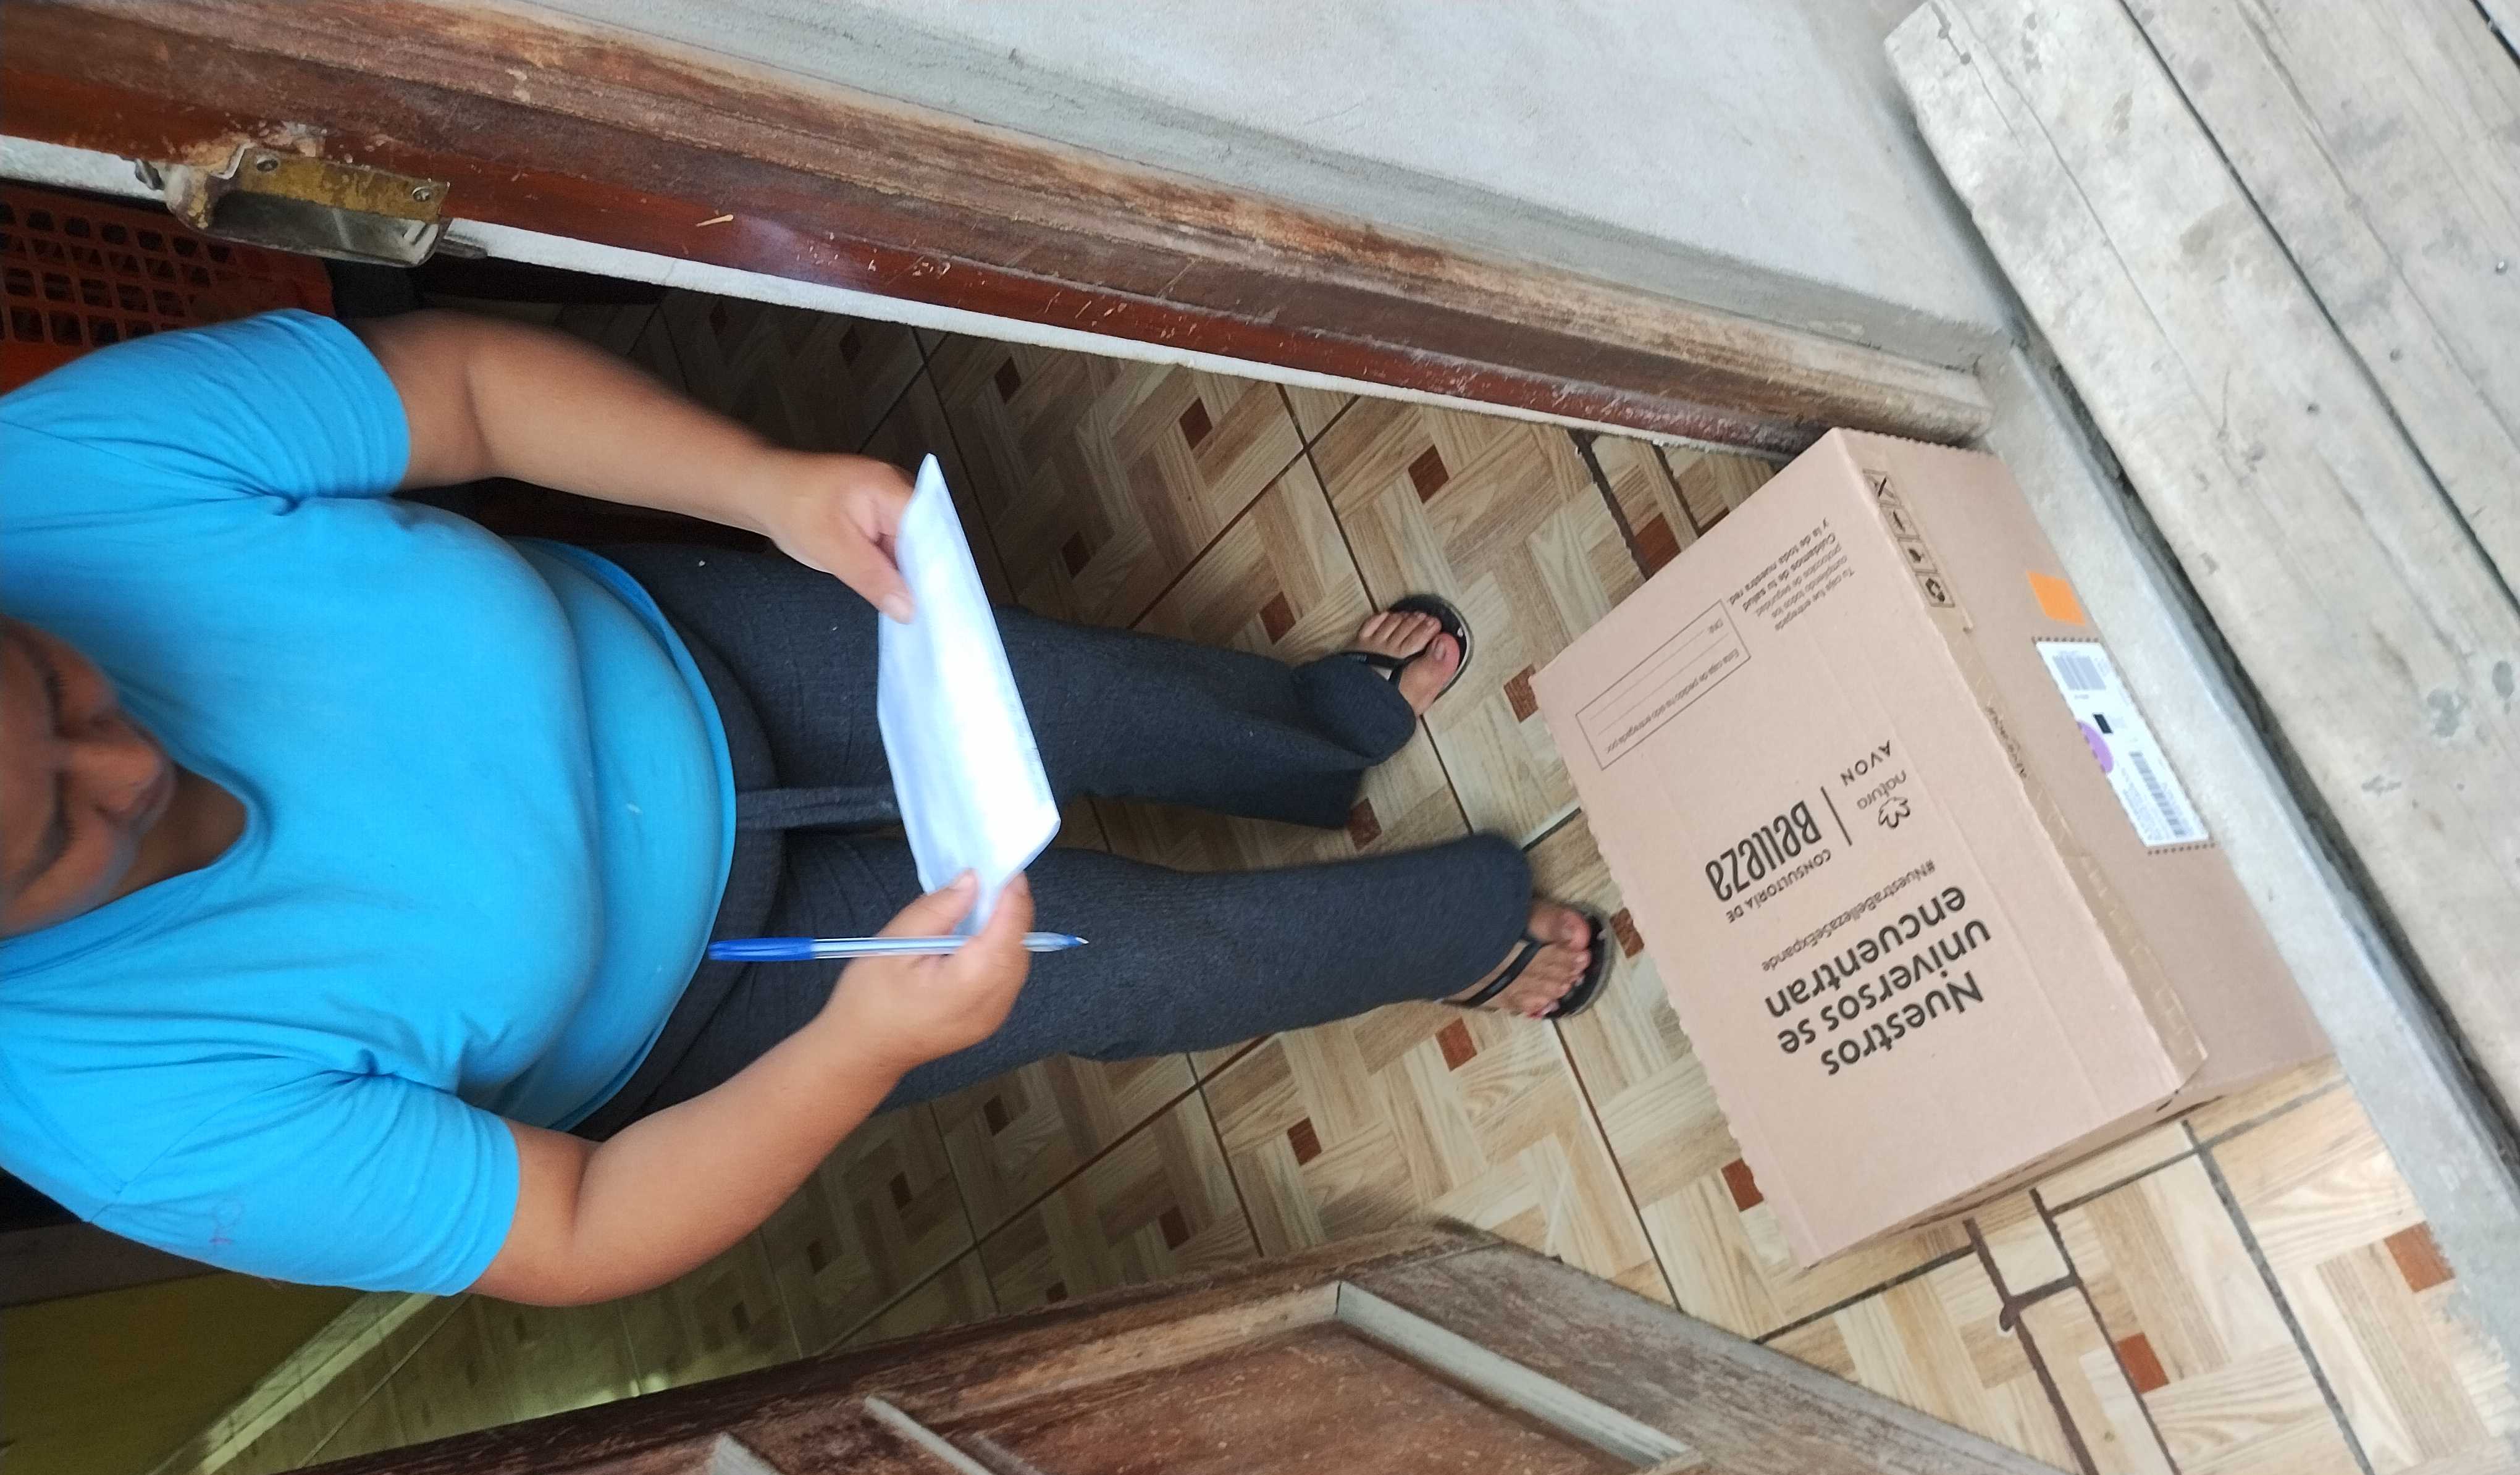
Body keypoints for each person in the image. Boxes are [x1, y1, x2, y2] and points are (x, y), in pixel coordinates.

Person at [0, 308, 1604, 1306]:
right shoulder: (118, 1118)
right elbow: (574, 1231)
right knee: (1135, 962)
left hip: (687, 653)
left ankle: (1308, 735)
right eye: (62, 839)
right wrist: (861, 1049)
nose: (135, 767)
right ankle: (1447, 935)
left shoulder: (46, 478)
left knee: (1076, 693)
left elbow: (465, 388)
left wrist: (756, 485)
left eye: (59, 693)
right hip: (721, 996)